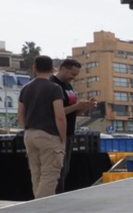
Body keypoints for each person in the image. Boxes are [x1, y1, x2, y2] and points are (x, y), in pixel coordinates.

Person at [17, 56, 67, 199]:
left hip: (29, 134)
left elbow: (20, 114)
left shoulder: (25, 88)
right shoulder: (54, 88)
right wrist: (62, 138)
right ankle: (40, 207)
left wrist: (26, 129)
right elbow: (60, 116)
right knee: (50, 174)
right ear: (52, 69)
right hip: (49, 135)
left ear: (34, 68)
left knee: (36, 174)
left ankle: (37, 202)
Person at [51, 58, 98, 193]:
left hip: (68, 131)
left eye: (76, 75)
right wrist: (77, 106)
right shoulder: (54, 84)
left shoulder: (68, 86)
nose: (74, 78)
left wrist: (84, 107)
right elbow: (56, 112)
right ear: (63, 69)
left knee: (64, 170)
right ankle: (55, 196)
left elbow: (72, 111)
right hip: (57, 132)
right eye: (72, 74)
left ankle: (59, 194)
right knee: (57, 170)